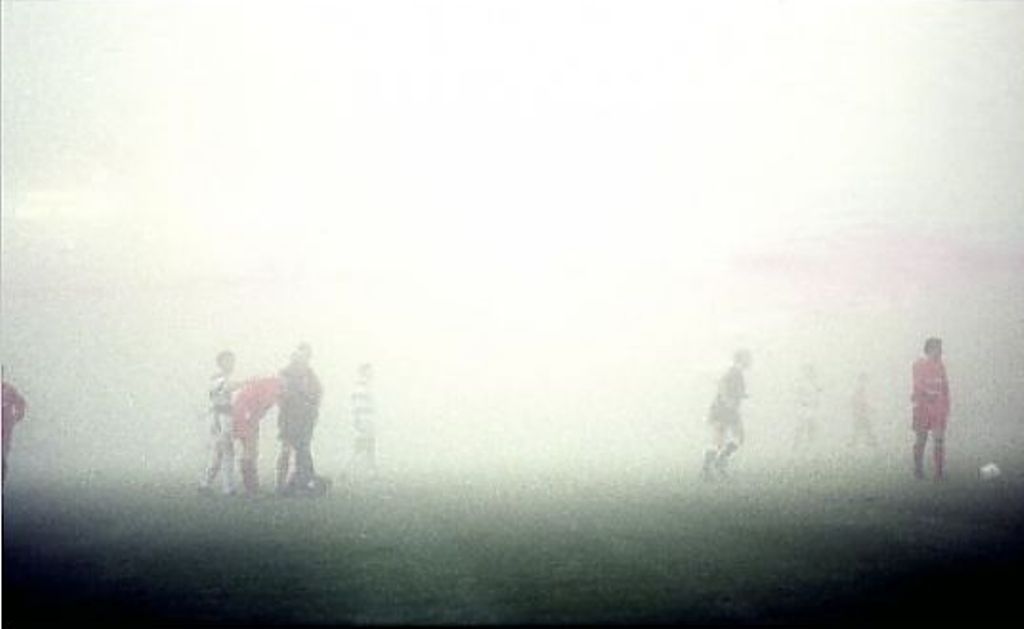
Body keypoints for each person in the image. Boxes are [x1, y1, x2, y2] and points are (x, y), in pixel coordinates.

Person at [276, 343, 323, 495]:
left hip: (306, 418)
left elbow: (318, 392)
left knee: (303, 450)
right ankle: (281, 483)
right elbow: (281, 394)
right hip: (289, 417)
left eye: (307, 356)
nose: (305, 359)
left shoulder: (310, 374)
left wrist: (313, 408)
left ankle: (301, 481)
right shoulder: (285, 373)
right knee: (287, 448)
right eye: (302, 356)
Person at [702, 349, 752, 481]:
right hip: (723, 411)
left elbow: (728, 387)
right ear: (741, 359)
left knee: (736, 437)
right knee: (722, 440)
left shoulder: (737, 373)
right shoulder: (733, 372)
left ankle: (717, 463)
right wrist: (728, 400)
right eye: (748, 358)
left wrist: (740, 396)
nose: (750, 361)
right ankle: (710, 467)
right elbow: (722, 385)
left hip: (728, 411)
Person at [231, 376, 282, 496]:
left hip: (242, 414)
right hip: (245, 416)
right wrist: (254, 419)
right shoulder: (275, 389)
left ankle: (251, 486)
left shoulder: (269, 384)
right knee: (250, 450)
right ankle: (251, 488)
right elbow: (261, 405)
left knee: (249, 450)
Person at [200, 350, 241, 495]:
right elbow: (228, 387)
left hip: (223, 417)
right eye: (228, 361)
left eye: (232, 361)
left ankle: (205, 484)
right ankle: (228, 488)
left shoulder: (222, 378)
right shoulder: (218, 379)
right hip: (221, 418)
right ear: (221, 363)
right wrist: (246, 382)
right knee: (227, 452)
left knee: (218, 453)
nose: (231, 364)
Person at [911, 337, 950, 480]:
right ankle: (918, 469)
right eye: (937, 348)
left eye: (940, 349)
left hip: (938, 409)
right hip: (922, 408)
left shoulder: (941, 366)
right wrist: (926, 395)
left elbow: (945, 387)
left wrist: (946, 406)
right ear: (929, 349)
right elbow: (918, 385)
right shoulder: (919, 365)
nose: (940, 352)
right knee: (921, 439)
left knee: (939, 439)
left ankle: (939, 472)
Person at [348, 362, 377, 483]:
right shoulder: (361, 386)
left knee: (367, 447)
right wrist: (358, 420)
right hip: (364, 421)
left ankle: (372, 472)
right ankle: (348, 470)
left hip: (367, 420)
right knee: (363, 447)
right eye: (369, 371)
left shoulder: (365, 385)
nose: (372, 374)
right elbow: (357, 404)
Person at [2, 374, 27, 485]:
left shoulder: (9, 389)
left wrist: (18, 415)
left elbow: (21, 402)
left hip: (5, 426)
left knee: (3, 451)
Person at [793, 363, 823, 450]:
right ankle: (796, 446)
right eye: (808, 371)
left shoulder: (814, 383)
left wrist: (816, 403)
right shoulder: (803, 383)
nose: (810, 373)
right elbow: (799, 395)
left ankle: (809, 447)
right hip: (803, 408)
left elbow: (817, 395)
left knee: (811, 428)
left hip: (811, 408)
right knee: (801, 428)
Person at [849, 371, 878, 449]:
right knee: (865, 427)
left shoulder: (859, 388)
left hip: (860, 412)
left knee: (861, 427)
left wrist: (868, 408)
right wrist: (868, 408)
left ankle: (855, 442)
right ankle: (871, 441)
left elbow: (859, 400)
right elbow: (860, 401)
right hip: (860, 412)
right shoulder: (860, 388)